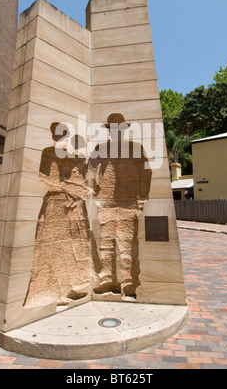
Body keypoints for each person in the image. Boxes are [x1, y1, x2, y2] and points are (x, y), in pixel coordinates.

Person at [24, 124, 92, 308]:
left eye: (65, 137)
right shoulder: (48, 152)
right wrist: (66, 189)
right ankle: (54, 291)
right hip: (55, 204)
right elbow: (45, 178)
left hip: (72, 206)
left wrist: (77, 193)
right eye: (59, 137)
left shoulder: (70, 156)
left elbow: (78, 178)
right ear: (53, 137)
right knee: (53, 249)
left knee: (71, 247)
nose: (63, 141)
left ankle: (69, 287)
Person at [90, 113, 152, 300]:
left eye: (119, 129)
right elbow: (91, 172)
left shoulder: (135, 148)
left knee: (128, 245)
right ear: (108, 131)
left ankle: (129, 282)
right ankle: (107, 279)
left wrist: (142, 198)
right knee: (106, 244)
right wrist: (95, 194)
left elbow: (145, 173)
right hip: (107, 202)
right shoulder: (100, 149)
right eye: (112, 129)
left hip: (129, 202)